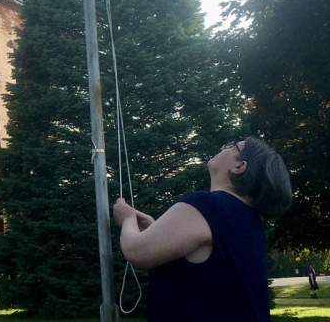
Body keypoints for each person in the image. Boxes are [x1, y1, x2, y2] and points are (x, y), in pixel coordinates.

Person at [113, 137, 292, 322]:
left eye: (233, 146)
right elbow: (207, 266)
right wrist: (153, 226)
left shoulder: (207, 205)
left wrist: (126, 218)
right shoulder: (249, 220)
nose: (224, 146)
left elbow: (136, 250)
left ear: (239, 167)